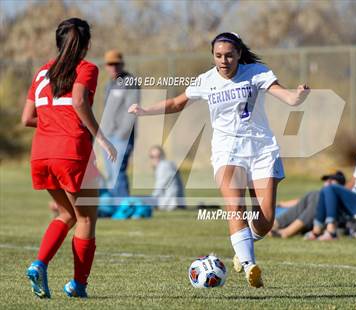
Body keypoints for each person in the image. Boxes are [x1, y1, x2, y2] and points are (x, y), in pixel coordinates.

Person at [129, 32, 310, 287]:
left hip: (261, 149)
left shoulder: (256, 72)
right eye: (218, 56)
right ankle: (250, 266)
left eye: (228, 55)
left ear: (238, 54)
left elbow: (287, 96)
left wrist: (297, 97)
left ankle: (242, 246)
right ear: (213, 56)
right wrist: (146, 111)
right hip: (228, 151)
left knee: (265, 220)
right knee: (234, 204)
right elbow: (177, 103)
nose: (223, 61)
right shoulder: (206, 80)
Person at [21, 18, 116, 298]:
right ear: (86, 45)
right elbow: (78, 101)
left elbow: (27, 118)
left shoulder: (41, 73)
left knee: (66, 213)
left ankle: (39, 263)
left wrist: (53, 125)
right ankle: (78, 286)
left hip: (41, 154)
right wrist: (100, 137)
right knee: (86, 219)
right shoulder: (86, 68)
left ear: (58, 43)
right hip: (71, 153)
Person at [101, 50, 139, 198]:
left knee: (118, 170)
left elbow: (132, 110)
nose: (114, 67)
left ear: (122, 64)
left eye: (116, 64)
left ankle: (124, 205)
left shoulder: (129, 82)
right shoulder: (109, 84)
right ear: (106, 66)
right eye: (110, 64)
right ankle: (116, 206)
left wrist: (123, 134)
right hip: (108, 136)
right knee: (110, 172)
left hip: (122, 136)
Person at [270, 171, 346, 238]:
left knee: (315, 194)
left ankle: (287, 232)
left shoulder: (341, 199)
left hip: (323, 222)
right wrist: (281, 204)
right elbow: (300, 202)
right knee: (312, 194)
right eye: (327, 180)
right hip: (308, 217)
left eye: (332, 180)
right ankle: (272, 225)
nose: (328, 182)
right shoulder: (317, 195)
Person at [149, 146, 185, 211]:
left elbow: (159, 188)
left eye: (158, 156)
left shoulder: (163, 167)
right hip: (177, 202)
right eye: (152, 156)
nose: (155, 159)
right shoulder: (170, 164)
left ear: (163, 156)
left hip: (169, 203)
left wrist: (150, 201)